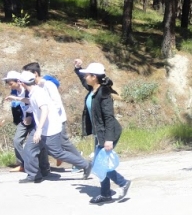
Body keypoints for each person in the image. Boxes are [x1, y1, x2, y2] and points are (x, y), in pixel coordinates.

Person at [19, 70, 92, 184]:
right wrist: (17, 99)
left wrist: (38, 130)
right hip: (42, 128)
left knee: (57, 153)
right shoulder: (35, 92)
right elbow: (33, 102)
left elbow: (44, 110)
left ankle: (85, 164)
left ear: (22, 83)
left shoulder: (37, 93)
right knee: (29, 148)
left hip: (49, 129)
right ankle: (34, 175)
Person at [75, 60, 132, 203]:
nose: (85, 77)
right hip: (99, 133)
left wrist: (108, 139)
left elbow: (109, 118)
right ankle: (106, 193)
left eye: (87, 75)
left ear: (94, 77)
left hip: (108, 133)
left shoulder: (104, 93)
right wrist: (78, 69)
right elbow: (83, 81)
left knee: (100, 164)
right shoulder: (93, 90)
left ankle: (123, 183)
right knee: (100, 163)